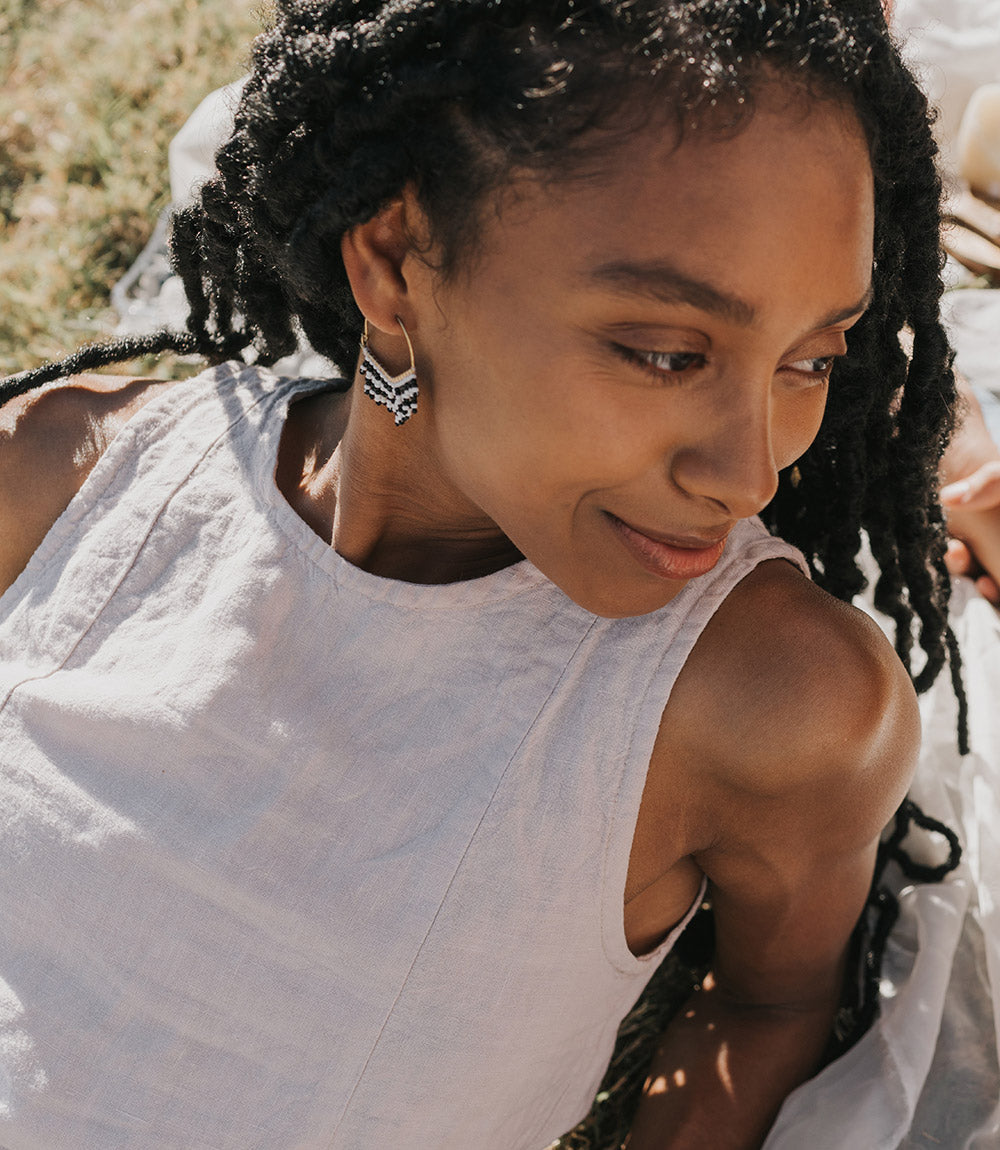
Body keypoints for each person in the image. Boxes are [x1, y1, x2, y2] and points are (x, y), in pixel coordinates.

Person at [0, 1, 991, 1147]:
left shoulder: (767, 703)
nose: (750, 470)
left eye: (814, 359)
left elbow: (767, 1005)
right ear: (392, 264)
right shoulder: (67, 480)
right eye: (667, 353)